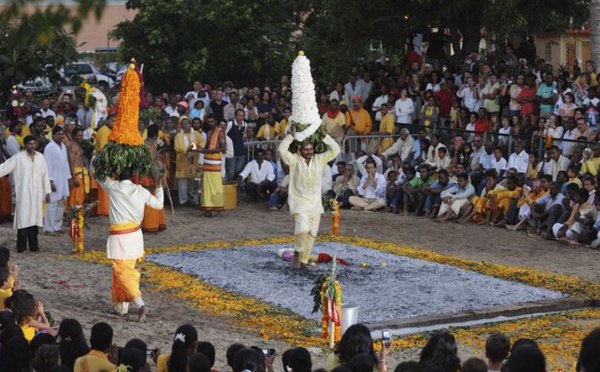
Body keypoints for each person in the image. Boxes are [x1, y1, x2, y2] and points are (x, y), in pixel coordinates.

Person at [101, 166, 164, 321]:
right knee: (124, 271)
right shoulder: (139, 190)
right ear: (133, 176)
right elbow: (159, 205)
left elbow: (98, 173)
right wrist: (159, 185)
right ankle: (121, 308)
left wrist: (100, 157)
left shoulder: (113, 187)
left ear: (117, 176)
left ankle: (140, 305)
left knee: (122, 272)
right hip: (135, 238)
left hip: (120, 238)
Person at [278, 125, 340, 270]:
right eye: (305, 149)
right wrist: (291, 136)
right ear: (300, 150)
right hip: (299, 202)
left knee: (312, 234)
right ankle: (297, 253)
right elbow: (282, 150)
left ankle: (304, 262)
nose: (308, 151)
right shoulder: (294, 161)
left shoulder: (319, 160)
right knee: (302, 228)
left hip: (315, 204)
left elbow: (336, 150)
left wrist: (325, 136)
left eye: (310, 149)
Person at [0, 135, 51, 252]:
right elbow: (4, 168)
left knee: (34, 220)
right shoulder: (18, 158)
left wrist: (47, 192)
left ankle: (34, 246)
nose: (32, 146)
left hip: (37, 194)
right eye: (29, 144)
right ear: (25, 145)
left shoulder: (41, 158)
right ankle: (21, 246)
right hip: (23, 194)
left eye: (34, 143)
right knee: (23, 220)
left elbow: (45, 176)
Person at [43, 126, 72, 234]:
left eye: (62, 134)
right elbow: (47, 165)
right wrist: (50, 181)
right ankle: (49, 228)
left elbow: (65, 164)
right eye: (58, 134)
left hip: (63, 179)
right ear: (53, 135)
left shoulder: (63, 146)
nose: (61, 136)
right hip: (54, 180)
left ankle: (57, 226)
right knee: (52, 203)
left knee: (61, 203)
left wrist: (68, 178)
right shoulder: (49, 147)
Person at [141, 125, 167, 233]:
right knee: (152, 200)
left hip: (144, 176)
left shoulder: (144, 144)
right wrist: (157, 178)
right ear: (156, 134)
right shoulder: (150, 146)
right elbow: (151, 164)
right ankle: (150, 224)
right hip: (150, 177)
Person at [200, 114, 227, 217]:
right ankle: (208, 208)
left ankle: (217, 207)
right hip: (207, 161)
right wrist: (198, 149)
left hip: (215, 162)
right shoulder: (209, 133)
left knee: (215, 186)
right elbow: (206, 147)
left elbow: (223, 149)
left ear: (215, 121)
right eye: (208, 122)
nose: (210, 123)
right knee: (207, 186)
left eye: (212, 121)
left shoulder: (220, 132)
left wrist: (208, 151)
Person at [174, 117, 204, 206]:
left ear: (190, 124)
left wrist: (194, 147)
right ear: (181, 125)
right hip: (182, 161)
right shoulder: (178, 136)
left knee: (194, 181)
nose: (186, 125)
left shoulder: (196, 134)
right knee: (182, 182)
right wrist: (187, 149)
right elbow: (177, 147)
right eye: (184, 124)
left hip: (194, 161)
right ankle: (183, 201)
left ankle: (194, 200)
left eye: (187, 123)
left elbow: (202, 143)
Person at [66, 128, 89, 208]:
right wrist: (74, 178)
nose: (81, 137)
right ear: (73, 135)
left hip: (80, 173)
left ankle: (77, 216)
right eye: (79, 135)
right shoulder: (72, 146)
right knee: (75, 198)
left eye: (82, 135)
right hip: (76, 174)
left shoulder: (77, 145)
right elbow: (70, 163)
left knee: (80, 196)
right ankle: (74, 216)